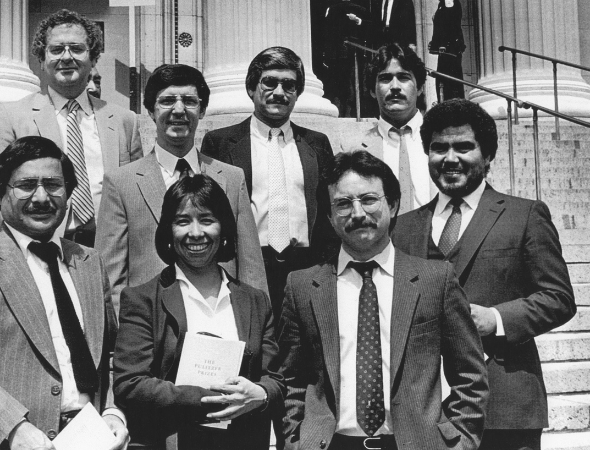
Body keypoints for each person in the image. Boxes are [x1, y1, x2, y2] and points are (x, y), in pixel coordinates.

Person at [0, 136, 128, 450]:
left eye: (53, 185)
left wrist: (112, 410)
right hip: (0, 442)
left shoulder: (89, 262)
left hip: (90, 439)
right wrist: (13, 427)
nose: (42, 197)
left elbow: (110, 354)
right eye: (27, 185)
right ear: (0, 193)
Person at [393, 99, 576, 450]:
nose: (450, 158)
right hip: (421, 409)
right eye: (438, 148)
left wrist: (495, 319)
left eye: (464, 147)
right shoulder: (403, 227)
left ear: (488, 155)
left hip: (505, 403)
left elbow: (559, 298)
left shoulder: (524, 215)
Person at [278, 150, 487, 450]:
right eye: (343, 204)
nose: (358, 213)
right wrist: (296, 439)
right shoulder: (303, 287)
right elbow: (293, 379)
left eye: (368, 199)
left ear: (392, 204)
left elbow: (470, 375)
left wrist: (458, 442)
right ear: (329, 216)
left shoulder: (436, 280)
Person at [113, 173, 284, 450]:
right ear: (169, 230)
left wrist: (259, 393)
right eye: (183, 221)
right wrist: (208, 398)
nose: (195, 233)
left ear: (224, 227)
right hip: (171, 441)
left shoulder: (255, 301)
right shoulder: (142, 300)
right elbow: (130, 384)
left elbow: (276, 379)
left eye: (206, 219)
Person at [95, 63, 267, 313]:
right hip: (152, 330)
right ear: (151, 111)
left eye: (189, 101)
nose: (178, 110)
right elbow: (110, 278)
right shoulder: (122, 183)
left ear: (203, 109)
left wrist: (257, 330)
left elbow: (251, 267)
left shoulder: (231, 178)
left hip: (222, 323)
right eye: (167, 101)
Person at [0, 8, 143, 247]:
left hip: (108, 250)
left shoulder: (123, 120)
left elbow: (135, 195)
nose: (66, 57)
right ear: (42, 58)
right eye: (56, 50)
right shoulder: (12, 117)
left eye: (77, 49)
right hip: (38, 246)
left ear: (94, 58)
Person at [201, 46, 336, 320]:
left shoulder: (317, 144)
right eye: (270, 82)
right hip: (247, 267)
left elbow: (327, 210)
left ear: (297, 93)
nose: (279, 92)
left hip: (305, 267)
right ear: (252, 88)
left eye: (289, 85)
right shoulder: (219, 143)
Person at [338, 43, 431, 215]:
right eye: (385, 78)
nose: (395, 86)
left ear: (419, 88)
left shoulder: (440, 141)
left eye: (404, 77)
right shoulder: (352, 148)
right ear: (372, 91)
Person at [429, 0, 466, 101]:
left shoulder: (450, 3)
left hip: (450, 50)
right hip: (445, 51)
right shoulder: (442, 4)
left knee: (450, 81)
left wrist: (443, 44)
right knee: (442, 80)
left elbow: (451, 25)